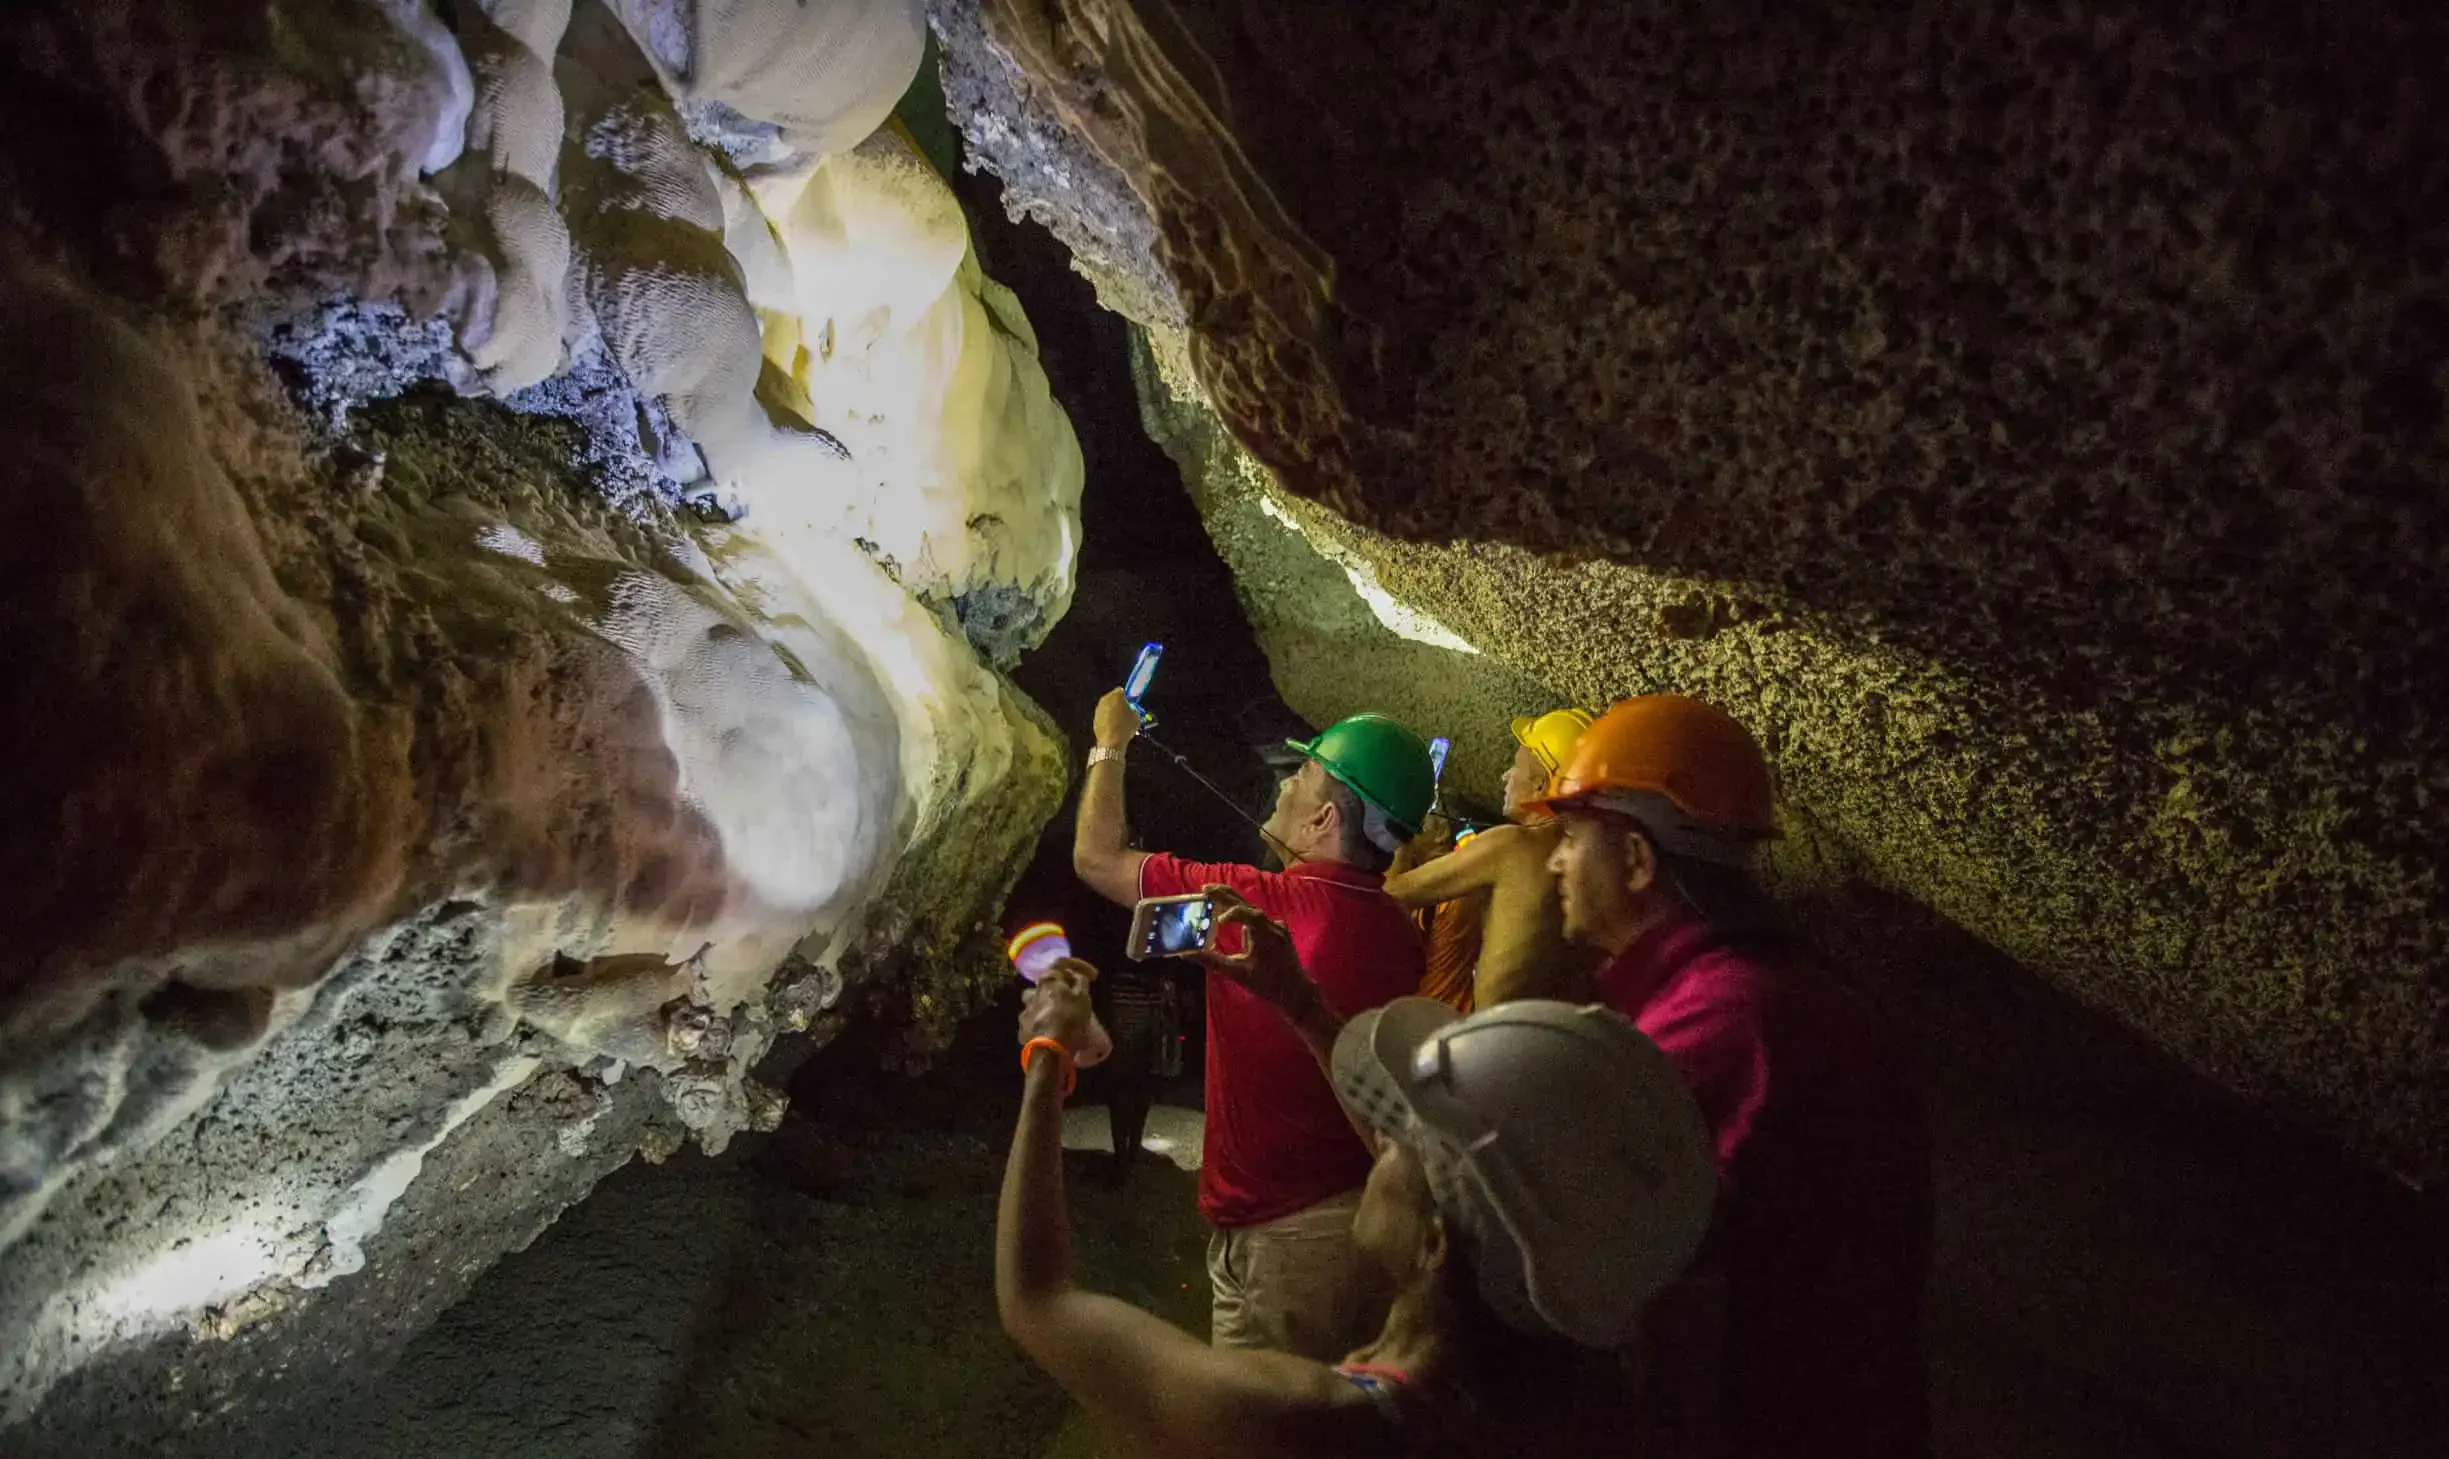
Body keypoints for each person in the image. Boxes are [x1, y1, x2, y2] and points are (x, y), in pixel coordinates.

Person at [997, 908, 1718, 1459]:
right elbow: (1450, 1185)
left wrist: (1046, 1055)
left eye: (1402, 1140)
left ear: (1435, 1242)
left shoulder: (1298, 1419)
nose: (1378, 1141)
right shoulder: (1570, 1398)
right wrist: (1300, 1003)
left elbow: (1038, 1298)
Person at [1529, 694, 1932, 1459]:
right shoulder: (1765, 990)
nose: (1553, 860)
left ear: (1639, 860)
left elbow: (1587, 1254)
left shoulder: (1722, 1021)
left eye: (1572, 837)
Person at [1072, 687, 1431, 1359]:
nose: (1285, 781)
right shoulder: (1402, 934)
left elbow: (1096, 858)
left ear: (1322, 818)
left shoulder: (1247, 909)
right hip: (1349, 1217)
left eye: (1303, 773)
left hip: (1284, 1243)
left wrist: (1108, 741)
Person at [1385, 708, 1599, 1008]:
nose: (1504, 776)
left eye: (1515, 767)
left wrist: (1402, 822)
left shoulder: (1511, 846)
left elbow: (1388, 895)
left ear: (1540, 785)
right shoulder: (1591, 860)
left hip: (1495, 1035)